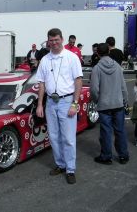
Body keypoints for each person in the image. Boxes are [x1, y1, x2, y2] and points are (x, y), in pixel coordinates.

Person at [36, 28, 83, 184]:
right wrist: (40, 105)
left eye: (56, 39)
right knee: (54, 137)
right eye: (51, 40)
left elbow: (78, 81)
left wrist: (75, 104)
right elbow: (41, 83)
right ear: (48, 41)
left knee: (68, 139)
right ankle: (60, 165)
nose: (54, 42)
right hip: (50, 103)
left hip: (66, 101)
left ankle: (70, 169)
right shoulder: (45, 60)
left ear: (62, 39)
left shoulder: (71, 57)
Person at [90, 43, 129, 165]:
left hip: (104, 104)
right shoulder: (117, 66)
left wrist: (97, 100)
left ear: (97, 53)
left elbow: (94, 89)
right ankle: (123, 155)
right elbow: (123, 87)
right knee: (120, 130)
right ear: (109, 51)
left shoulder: (97, 68)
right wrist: (125, 100)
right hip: (118, 103)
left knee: (106, 131)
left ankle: (106, 156)